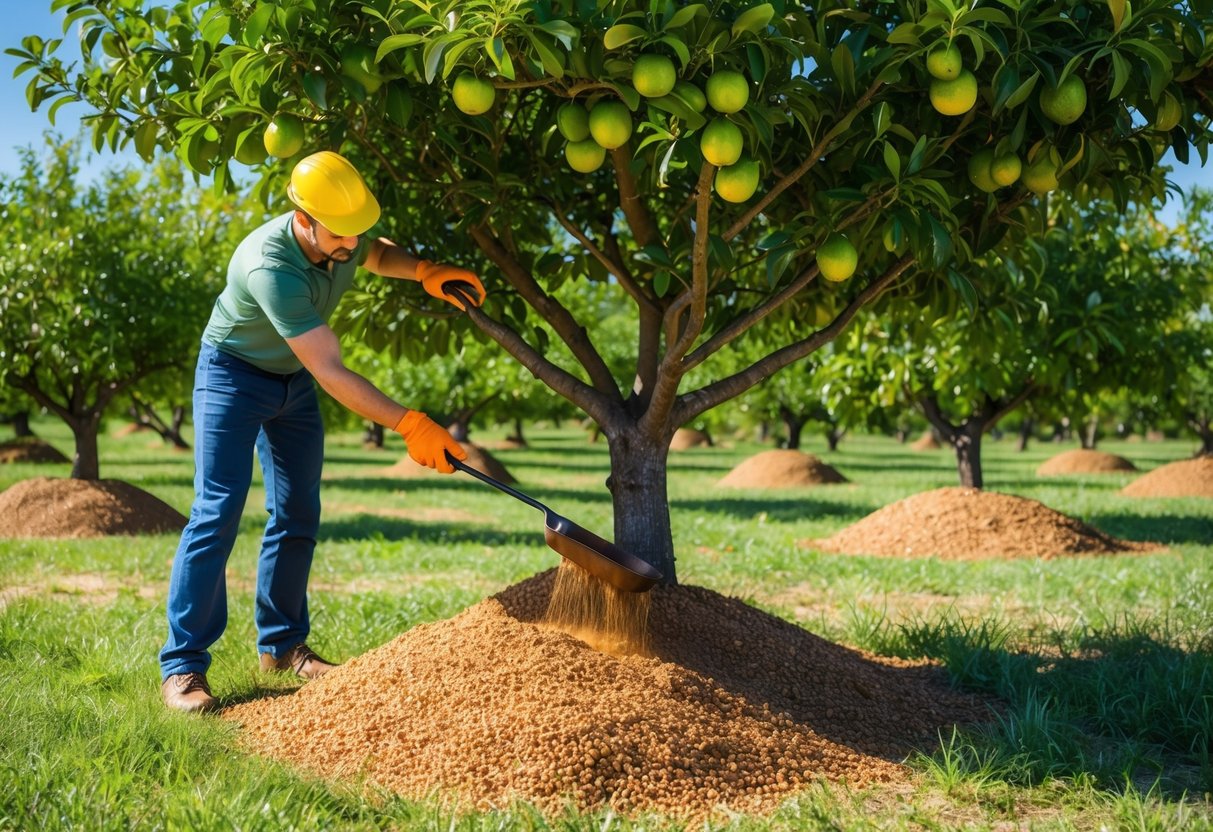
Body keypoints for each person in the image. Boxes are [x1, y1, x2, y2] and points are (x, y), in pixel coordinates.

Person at [160, 151, 485, 713]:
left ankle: (283, 646)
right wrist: (409, 423)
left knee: (297, 511)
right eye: (339, 234)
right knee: (218, 510)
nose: (351, 245)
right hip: (233, 375)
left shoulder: (345, 228)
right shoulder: (271, 265)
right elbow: (329, 368)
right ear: (302, 217)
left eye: (355, 233)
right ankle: (183, 668)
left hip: (291, 381)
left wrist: (424, 270)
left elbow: (376, 252)